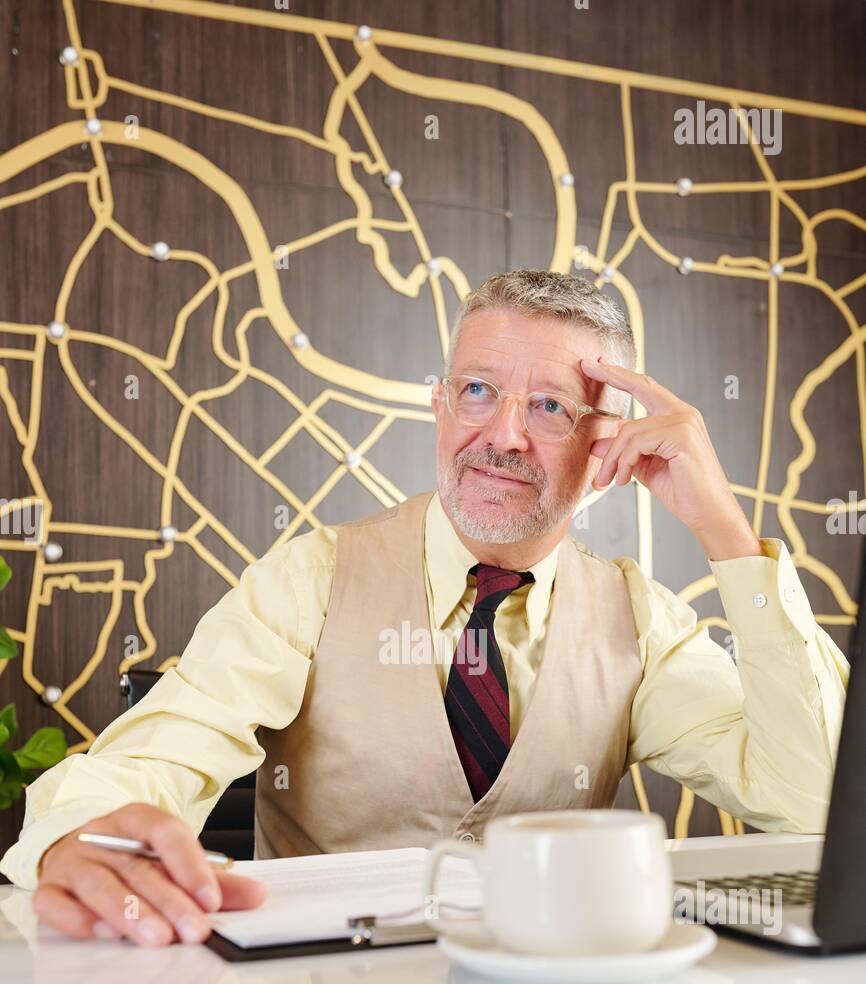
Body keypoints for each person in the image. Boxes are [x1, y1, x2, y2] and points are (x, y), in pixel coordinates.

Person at [0, 269, 849, 947]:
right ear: (441, 406)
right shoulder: (311, 578)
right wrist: (83, 836)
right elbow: (155, 755)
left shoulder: (640, 620)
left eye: (550, 407)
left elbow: (813, 801)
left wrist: (727, 533)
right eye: (478, 389)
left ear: (607, 447)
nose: (503, 435)